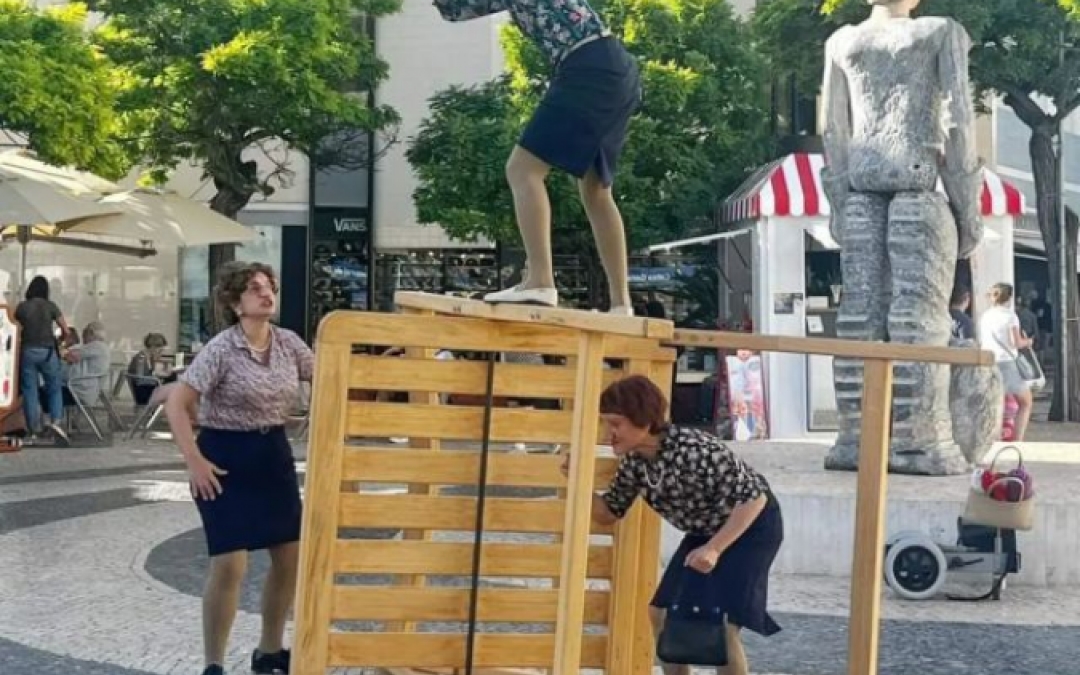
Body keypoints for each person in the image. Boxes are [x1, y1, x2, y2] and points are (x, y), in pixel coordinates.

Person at [562, 375, 783, 675]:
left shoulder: (694, 448)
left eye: (615, 424)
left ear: (642, 419)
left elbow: (754, 499)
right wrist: (578, 480)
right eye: (606, 423)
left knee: (722, 621)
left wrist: (714, 549)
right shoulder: (635, 463)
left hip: (750, 527)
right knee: (661, 612)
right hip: (704, 529)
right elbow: (609, 513)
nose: (608, 433)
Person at [433, 0, 642, 315]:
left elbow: (457, 8)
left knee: (522, 170)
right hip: (616, 69)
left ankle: (540, 281)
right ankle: (621, 304)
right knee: (597, 191)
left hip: (587, 67)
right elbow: (456, 10)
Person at [164, 262, 314, 675]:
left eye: (269, 287)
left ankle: (269, 651)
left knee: (289, 558)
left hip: (272, 455)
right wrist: (194, 461)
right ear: (235, 303)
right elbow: (177, 403)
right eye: (254, 288)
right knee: (230, 563)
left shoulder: (288, 343)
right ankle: (213, 663)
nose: (266, 294)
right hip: (224, 457)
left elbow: (329, 375)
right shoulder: (221, 349)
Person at [14, 275, 69, 444]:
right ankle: (56, 422)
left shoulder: (22, 307)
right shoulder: (51, 306)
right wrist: (59, 341)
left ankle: (33, 430)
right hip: (48, 352)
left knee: (30, 390)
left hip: (28, 351)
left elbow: (13, 327)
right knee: (54, 388)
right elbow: (65, 330)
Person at [979, 282, 1034, 442]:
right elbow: (1016, 342)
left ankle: (994, 439)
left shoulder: (986, 316)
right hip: (1007, 363)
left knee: (997, 404)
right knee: (1026, 402)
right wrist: (1028, 342)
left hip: (989, 361)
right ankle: (1017, 440)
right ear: (1009, 298)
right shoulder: (1010, 316)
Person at [127, 332, 172, 406]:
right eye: (160, 350)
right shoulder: (141, 358)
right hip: (143, 392)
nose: (161, 352)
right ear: (153, 347)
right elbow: (140, 380)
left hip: (147, 388)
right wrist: (158, 378)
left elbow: (150, 373)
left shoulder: (149, 357)